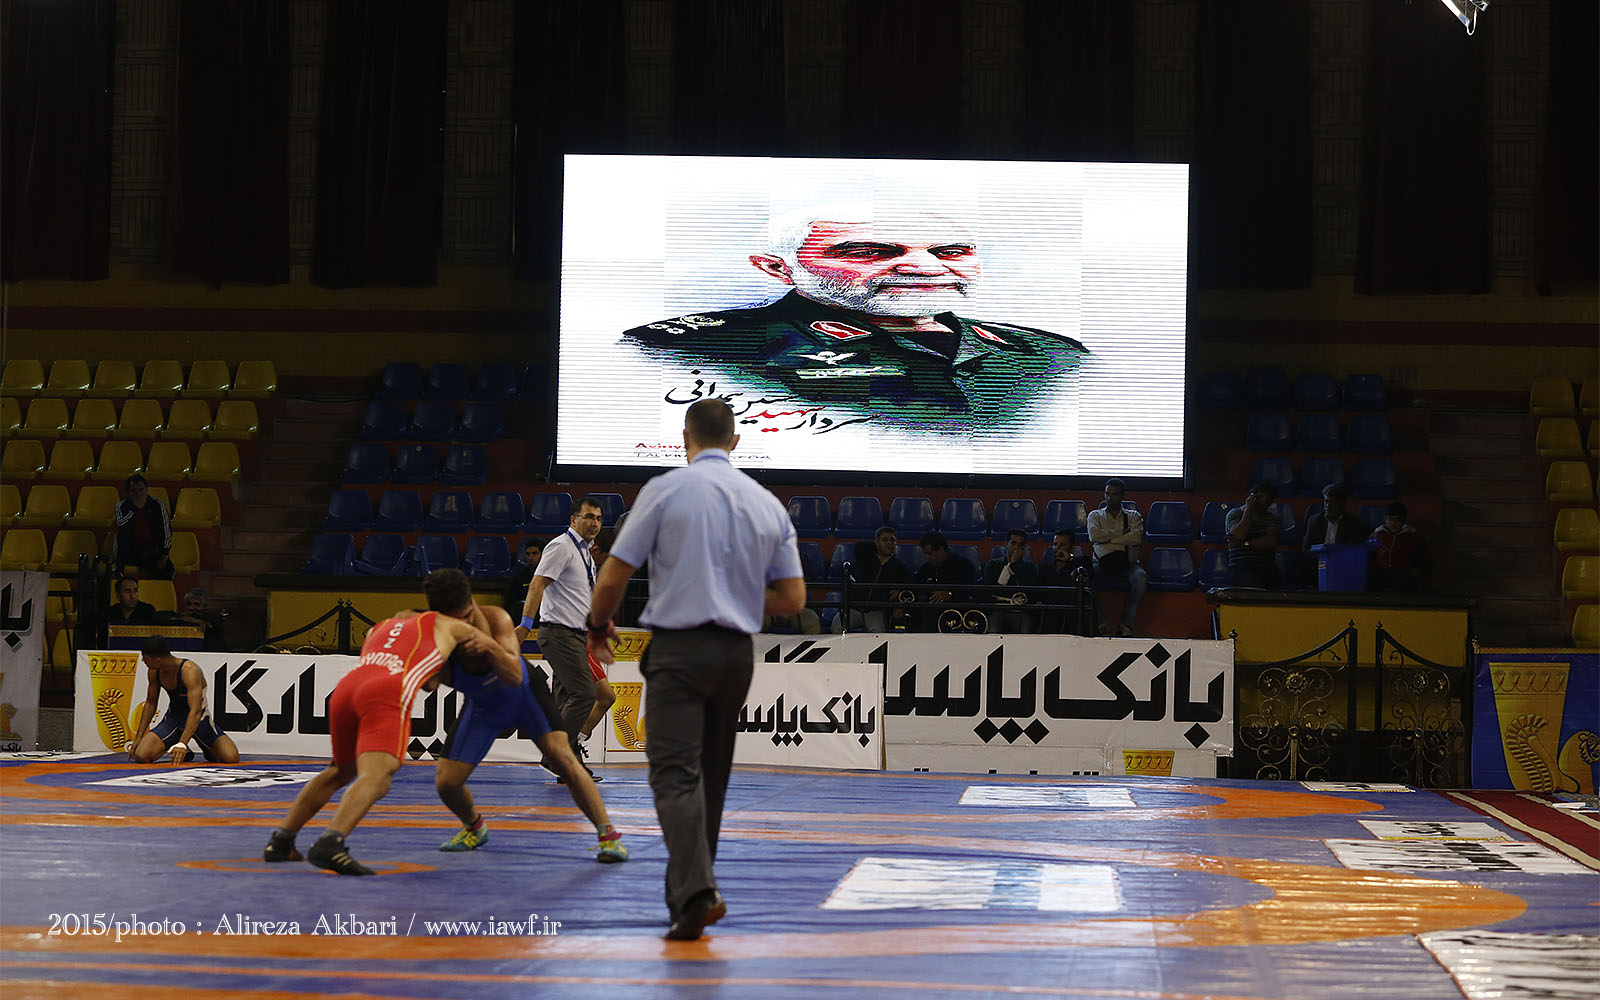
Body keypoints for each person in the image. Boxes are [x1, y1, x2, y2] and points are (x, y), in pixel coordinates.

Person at [585, 398, 806, 940]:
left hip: (681, 651)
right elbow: (793, 599)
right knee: (711, 779)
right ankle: (686, 902)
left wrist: (598, 624)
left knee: (674, 775)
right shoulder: (767, 504)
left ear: (686, 438)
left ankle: (700, 892)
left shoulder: (665, 490)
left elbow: (613, 575)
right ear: (735, 441)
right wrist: (736, 594)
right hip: (735, 656)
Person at [621, 206, 1086, 438]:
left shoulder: (1055, 353)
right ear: (778, 268)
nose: (925, 268)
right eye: (868, 251)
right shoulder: (687, 349)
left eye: (951, 251)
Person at [262, 583, 522, 875]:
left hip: (347, 688)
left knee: (340, 770)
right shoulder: (452, 625)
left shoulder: (386, 624)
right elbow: (508, 673)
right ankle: (331, 843)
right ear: (464, 609)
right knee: (378, 776)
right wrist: (490, 645)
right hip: (387, 691)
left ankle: (281, 841)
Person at [430, 570, 626, 862]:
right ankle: (475, 827)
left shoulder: (496, 618)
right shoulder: (434, 634)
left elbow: (513, 676)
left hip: (525, 696)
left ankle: (608, 836)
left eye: (468, 615)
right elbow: (428, 684)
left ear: (471, 602)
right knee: (446, 783)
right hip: (483, 706)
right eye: (457, 621)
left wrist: (488, 646)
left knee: (565, 761)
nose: (466, 624)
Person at [517, 497, 605, 779]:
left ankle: (565, 762)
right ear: (573, 520)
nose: (594, 523)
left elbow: (580, 596)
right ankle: (556, 757)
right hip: (560, 633)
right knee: (585, 694)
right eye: (588, 517)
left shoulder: (584, 553)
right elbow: (537, 584)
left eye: (598, 518)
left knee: (566, 701)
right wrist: (525, 625)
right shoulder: (561, 546)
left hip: (576, 635)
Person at [126, 637, 239, 764]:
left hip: (199, 721)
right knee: (142, 755)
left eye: (145, 658)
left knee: (231, 757)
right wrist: (139, 736)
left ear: (157, 660)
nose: (143, 661)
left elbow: (195, 711)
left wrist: (182, 743)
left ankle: (205, 749)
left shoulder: (189, 671)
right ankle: (178, 745)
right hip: (174, 720)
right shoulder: (154, 671)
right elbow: (151, 703)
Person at [1087, 479, 1148, 637]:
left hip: (1128, 564)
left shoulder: (1134, 516)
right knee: (1085, 578)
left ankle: (1126, 626)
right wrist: (1121, 533)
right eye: (1107, 494)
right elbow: (1094, 536)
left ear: (1122, 496)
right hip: (1101, 564)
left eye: (1114, 494)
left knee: (1141, 578)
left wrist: (1107, 540)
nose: (1109, 498)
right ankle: (1101, 622)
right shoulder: (1095, 515)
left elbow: (1136, 538)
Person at [833, 525, 911, 633]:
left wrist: (900, 590)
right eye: (885, 540)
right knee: (837, 627)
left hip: (876, 610)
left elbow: (911, 585)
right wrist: (878, 547)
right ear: (877, 542)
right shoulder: (865, 557)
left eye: (892, 540)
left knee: (878, 631)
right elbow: (859, 545)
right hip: (854, 607)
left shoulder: (899, 566)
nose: (889, 543)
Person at [914, 532, 979, 632]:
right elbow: (915, 586)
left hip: (958, 613)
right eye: (925, 554)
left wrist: (949, 593)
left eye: (929, 553)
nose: (927, 557)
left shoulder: (963, 565)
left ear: (941, 549)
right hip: (930, 614)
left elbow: (970, 589)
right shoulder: (926, 568)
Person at [113, 474, 173, 579]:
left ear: (146, 490)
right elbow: (120, 524)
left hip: (151, 550)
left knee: (167, 571)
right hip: (130, 551)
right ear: (128, 493)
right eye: (133, 491)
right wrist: (134, 509)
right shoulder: (121, 506)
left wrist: (165, 554)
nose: (138, 494)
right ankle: (119, 571)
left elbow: (166, 530)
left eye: (141, 489)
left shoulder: (157, 504)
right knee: (122, 536)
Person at [1224, 482, 1282, 590]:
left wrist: (1245, 543)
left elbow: (1271, 541)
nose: (1264, 502)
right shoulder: (1235, 514)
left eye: (1268, 500)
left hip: (1267, 568)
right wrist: (1249, 509)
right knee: (1252, 586)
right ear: (1252, 497)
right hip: (1241, 568)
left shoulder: (1272, 518)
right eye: (1261, 497)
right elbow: (1240, 534)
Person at [1036, 529, 1094, 634]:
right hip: (1049, 612)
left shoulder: (1082, 562)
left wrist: (1070, 560)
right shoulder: (1046, 567)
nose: (1057, 548)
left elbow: (1088, 575)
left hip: (1072, 612)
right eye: (1055, 544)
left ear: (1072, 547)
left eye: (1062, 545)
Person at [983, 529, 1040, 633]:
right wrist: (1010, 565)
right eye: (1013, 543)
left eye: (1021, 545)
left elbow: (1029, 591)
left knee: (1025, 630)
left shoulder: (1031, 567)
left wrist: (1015, 566)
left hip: (1022, 612)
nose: (1017, 547)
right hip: (998, 611)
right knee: (993, 630)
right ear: (1007, 544)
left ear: (1025, 547)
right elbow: (995, 589)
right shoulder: (993, 565)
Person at [1369, 502, 1431, 592]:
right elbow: (1368, 553)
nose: (1393, 523)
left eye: (1397, 520)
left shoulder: (1413, 537)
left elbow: (1423, 556)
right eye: (1390, 519)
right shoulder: (1377, 535)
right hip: (1380, 571)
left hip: (1402, 572)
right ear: (1385, 519)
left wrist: (1418, 569)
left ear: (1404, 521)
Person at [165, 586, 225, 651]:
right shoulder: (185, 616)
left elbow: (212, 617)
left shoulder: (213, 617)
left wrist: (191, 619)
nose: (191, 608)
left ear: (205, 606)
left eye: (196, 604)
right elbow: (161, 616)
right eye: (188, 604)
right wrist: (190, 619)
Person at [503, 537, 545, 623]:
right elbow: (510, 601)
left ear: (543, 554)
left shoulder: (551, 576)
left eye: (535, 553)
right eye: (528, 554)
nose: (530, 557)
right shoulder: (519, 577)